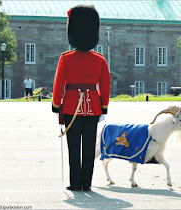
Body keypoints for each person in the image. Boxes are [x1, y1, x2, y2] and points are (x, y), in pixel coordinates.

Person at [52, 5, 111, 192]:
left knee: (74, 148)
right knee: (88, 148)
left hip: (70, 107)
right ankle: (87, 183)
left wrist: (56, 105)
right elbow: (106, 86)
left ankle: (76, 183)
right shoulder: (100, 60)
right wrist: (103, 107)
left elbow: (58, 84)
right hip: (93, 107)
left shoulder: (66, 58)